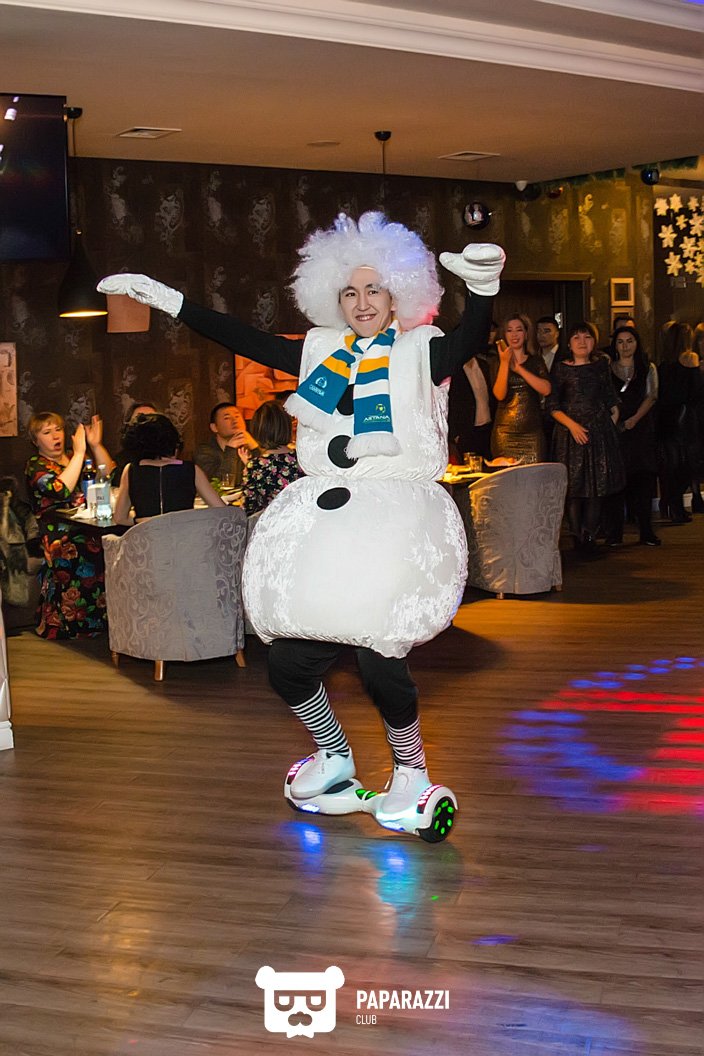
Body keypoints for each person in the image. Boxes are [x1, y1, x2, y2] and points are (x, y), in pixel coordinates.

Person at [98, 211, 505, 842]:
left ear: (397, 294)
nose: (362, 302)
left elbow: (468, 339)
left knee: (380, 661)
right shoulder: (319, 353)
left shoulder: (420, 351)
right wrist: (169, 301)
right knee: (287, 662)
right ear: (332, 298)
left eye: (374, 289)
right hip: (326, 523)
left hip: (393, 522)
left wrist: (481, 289)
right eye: (350, 291)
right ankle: (334, 755)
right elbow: (240, 337)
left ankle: (410, 771)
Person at [25, 412, 114, 638]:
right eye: (47, 432)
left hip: (87, 524)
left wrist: (95, 445)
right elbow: (60, 490)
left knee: (110, 543)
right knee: (78, 548)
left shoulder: (73, 457)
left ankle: (105, 620)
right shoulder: (36, 465)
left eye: (58, 430)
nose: (56, 436)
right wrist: (80, 453)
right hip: (56, 530)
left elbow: (108, 474)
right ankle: (72, 624)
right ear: (36, 441)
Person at [548, 322, 625, 553]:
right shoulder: (560, 368)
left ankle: (590, 535)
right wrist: (573, 426)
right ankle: (577, 536)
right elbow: (552, 406)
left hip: (597, 432)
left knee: (596, 485)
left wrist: (611, 419)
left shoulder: (601, 365)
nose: (582, 342)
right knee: (573, 488)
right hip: (569, 433)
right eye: (577, 337)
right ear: (569, 343)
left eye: (587, 337)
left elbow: (610, 397)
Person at [602, 327, 660, 546]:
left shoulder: (647, 368)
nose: (625, 346)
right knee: (617, 481)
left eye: (629, 341)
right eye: (620, 342)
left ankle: (646, 530)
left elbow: (651, 396)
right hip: (616, 428)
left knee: (643, 479)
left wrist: (635, 419)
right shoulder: (608, 369)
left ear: (637, 343)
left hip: (641, 428)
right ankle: (614, 533)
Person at [113, 413, 225, 524]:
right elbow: (221, 510)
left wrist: (141, 520)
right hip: (185, 533)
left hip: (147, 534)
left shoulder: (131, 470)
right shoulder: (191, 469)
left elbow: (120, 518)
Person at [656, 321, 701, 524]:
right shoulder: (690, 358)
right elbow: (696, 391)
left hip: (667, 419)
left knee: (672, 466)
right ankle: (676, 507)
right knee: (689, 465)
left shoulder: (664, 364)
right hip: (686, 419)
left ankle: (671, 504)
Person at [491, 314, 551, 463]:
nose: (514, 334)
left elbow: (546, 389)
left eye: (519, 330)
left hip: (532, 433)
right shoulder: (496, 362)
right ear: (504, 335)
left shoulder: (536, 361)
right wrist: (505, 363)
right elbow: (499, 395)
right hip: (504, 433)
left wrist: (518, 368)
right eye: (509, 330)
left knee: (534, 476)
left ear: (526, 334)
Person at [239, 400, 303, 516]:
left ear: (257, 430)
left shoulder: (255, 466)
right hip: (302, 521)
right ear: (287, 427)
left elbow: (248, 508)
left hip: (270, 524)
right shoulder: (303, 459)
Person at [194, 402, 259, 488]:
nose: (235, 421)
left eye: (237, 416)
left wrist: (255, 447)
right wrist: (230, 449)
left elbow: (267, 476)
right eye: (227, 418)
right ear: (214, 427)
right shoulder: (204, 452)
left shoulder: (249, 447)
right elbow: (219, 485)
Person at [112, 400, 159, 482]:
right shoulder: (122, 460)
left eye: (151, 420)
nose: (145, 426)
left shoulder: (171, 457)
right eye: (139, 420)